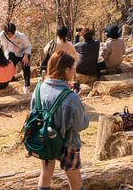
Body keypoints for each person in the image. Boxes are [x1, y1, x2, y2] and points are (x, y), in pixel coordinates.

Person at [32, 51, 89, 190]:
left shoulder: (38, 89)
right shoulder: (71, 97)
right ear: (66, 69)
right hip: (68, 142)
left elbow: (33, 115)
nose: (74, 70)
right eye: (73, 67)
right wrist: (78, 101)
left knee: (45, 174)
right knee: (75, 181)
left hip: (45, 139)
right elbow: (80, 125)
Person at [0, 23, 32, 92]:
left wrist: (26, 56)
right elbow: (3, 46)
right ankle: (11, 84)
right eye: (7, 34)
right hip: (13, 53)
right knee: (9, 67)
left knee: (26, 67)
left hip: (24, 53)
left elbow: (28, 46)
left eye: (10, 34)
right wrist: (3, 57)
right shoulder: (3, 35)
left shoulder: (21, 36)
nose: (9, 36)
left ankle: (27, 86)